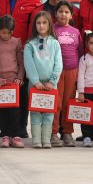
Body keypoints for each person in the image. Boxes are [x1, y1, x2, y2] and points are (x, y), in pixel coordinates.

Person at [0, 0, 40, 138]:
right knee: (4, 89)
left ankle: (21, 128)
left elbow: (34, 25)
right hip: (3, 50)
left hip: (22, 51)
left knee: (21, 91)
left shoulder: (32, 0)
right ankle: (4, 129)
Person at [24, 12, 63, 149]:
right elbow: (29, 64)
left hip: (51, 85)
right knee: (35, 111)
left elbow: (58, 64)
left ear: (49, 24)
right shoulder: (30, 45)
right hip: (36, 85)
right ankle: (36, 140)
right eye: (38, 23)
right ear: (35, 25)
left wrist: (52, 81)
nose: (41, 25)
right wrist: (36, 82)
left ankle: (46, 140)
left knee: (49, 112)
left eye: (44, 22)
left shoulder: (55, 43)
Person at [0, 16, 26, 149]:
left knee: (15, 110)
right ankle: (5, 135)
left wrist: (19, 78)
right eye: (1, 32)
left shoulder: (16, 42)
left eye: (7, 33)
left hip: (13, 82)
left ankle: (15, 136)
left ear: (12, 32)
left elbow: (21, 63)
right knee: (2, 110)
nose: (4, 35)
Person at [52, 0, 81, 148]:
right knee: (56, 103)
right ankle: (53, 132)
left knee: (68, 103)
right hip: (56, 72)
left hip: (72, 71)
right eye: (60, 11)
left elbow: (80, 52)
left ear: (71, 15)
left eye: (66, 12)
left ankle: (68, 132)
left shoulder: (76, 32)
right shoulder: (51, 30)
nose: (63, 14)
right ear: (55, 14)